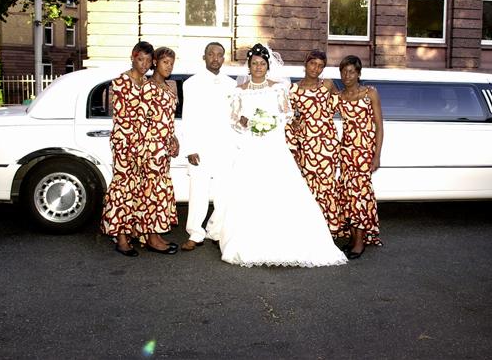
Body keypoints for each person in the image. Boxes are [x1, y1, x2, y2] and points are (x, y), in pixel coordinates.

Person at [208, 43, 347, 267]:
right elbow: (234, 120)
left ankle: (288, 241)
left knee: (280, 190)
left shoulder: (279, 88)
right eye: (254, 64)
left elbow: (287, 114)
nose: (258, 67)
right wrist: (244, 122)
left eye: (262, 64)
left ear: (267, 66)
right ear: (249, 66)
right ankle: (248, 240)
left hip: (274, 148)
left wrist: (272, 121)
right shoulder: (239, 91)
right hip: (251, 149)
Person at [180, 42, 237, 251]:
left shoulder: (232, 85)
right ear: (204, 57)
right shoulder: (191, 84)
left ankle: (216, 231)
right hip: (200, 147)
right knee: (198, 192)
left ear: (224, 58)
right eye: (211, 54)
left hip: (225, 146)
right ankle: (195, 233)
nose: (215, 58)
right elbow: (187, 118)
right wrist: (189, 148)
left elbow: (235, 117)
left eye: (219, 55)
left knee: (223, 193)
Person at [100, 41, 154, 257]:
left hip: (145, 144)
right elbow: (120, 117)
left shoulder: (148, 82)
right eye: (141, 59)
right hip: (125, 143)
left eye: (149, 61)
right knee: (122, 190)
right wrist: (130, 143)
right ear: (133, 57)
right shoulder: (120, 81)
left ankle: (133, 230)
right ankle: (120, 237)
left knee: (140, 189)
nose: (144, 64)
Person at [285, 49, 341, 235]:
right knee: (308, 186)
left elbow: (341, 103)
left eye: (320, 66)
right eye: (312, 64)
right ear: (305, 64)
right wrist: (295, 125)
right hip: (305, 145)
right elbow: (290, 118)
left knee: (326, 185)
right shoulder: (292, 89)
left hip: (326, 145)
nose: (316, 68)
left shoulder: (327, 84)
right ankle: (311, 229)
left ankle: (330, 228)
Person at [335, 55, 384, 259]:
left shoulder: (370, 93)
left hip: (364, 152)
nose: (348, 75)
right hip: (346, 152)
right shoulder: (339, 97)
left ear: (359, 73)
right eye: (344, 72)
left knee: (360, 195)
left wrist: (377, 156)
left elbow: (379, 126)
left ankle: (359, 242)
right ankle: (354, 236)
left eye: (352, 72)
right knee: (348, 195)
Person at [135, 46, 180, 255]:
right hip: (152, 149)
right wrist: (149, 148)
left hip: (164, 149)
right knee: (153, 192)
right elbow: (141, 121)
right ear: (155, 63)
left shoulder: (169, 86)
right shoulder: (148, 87)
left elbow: (168, 120)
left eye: (171, 63)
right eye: (165, 62)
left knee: (161, 191)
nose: (169, 66)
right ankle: (152, 238)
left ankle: (156, 233)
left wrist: (173, 138)